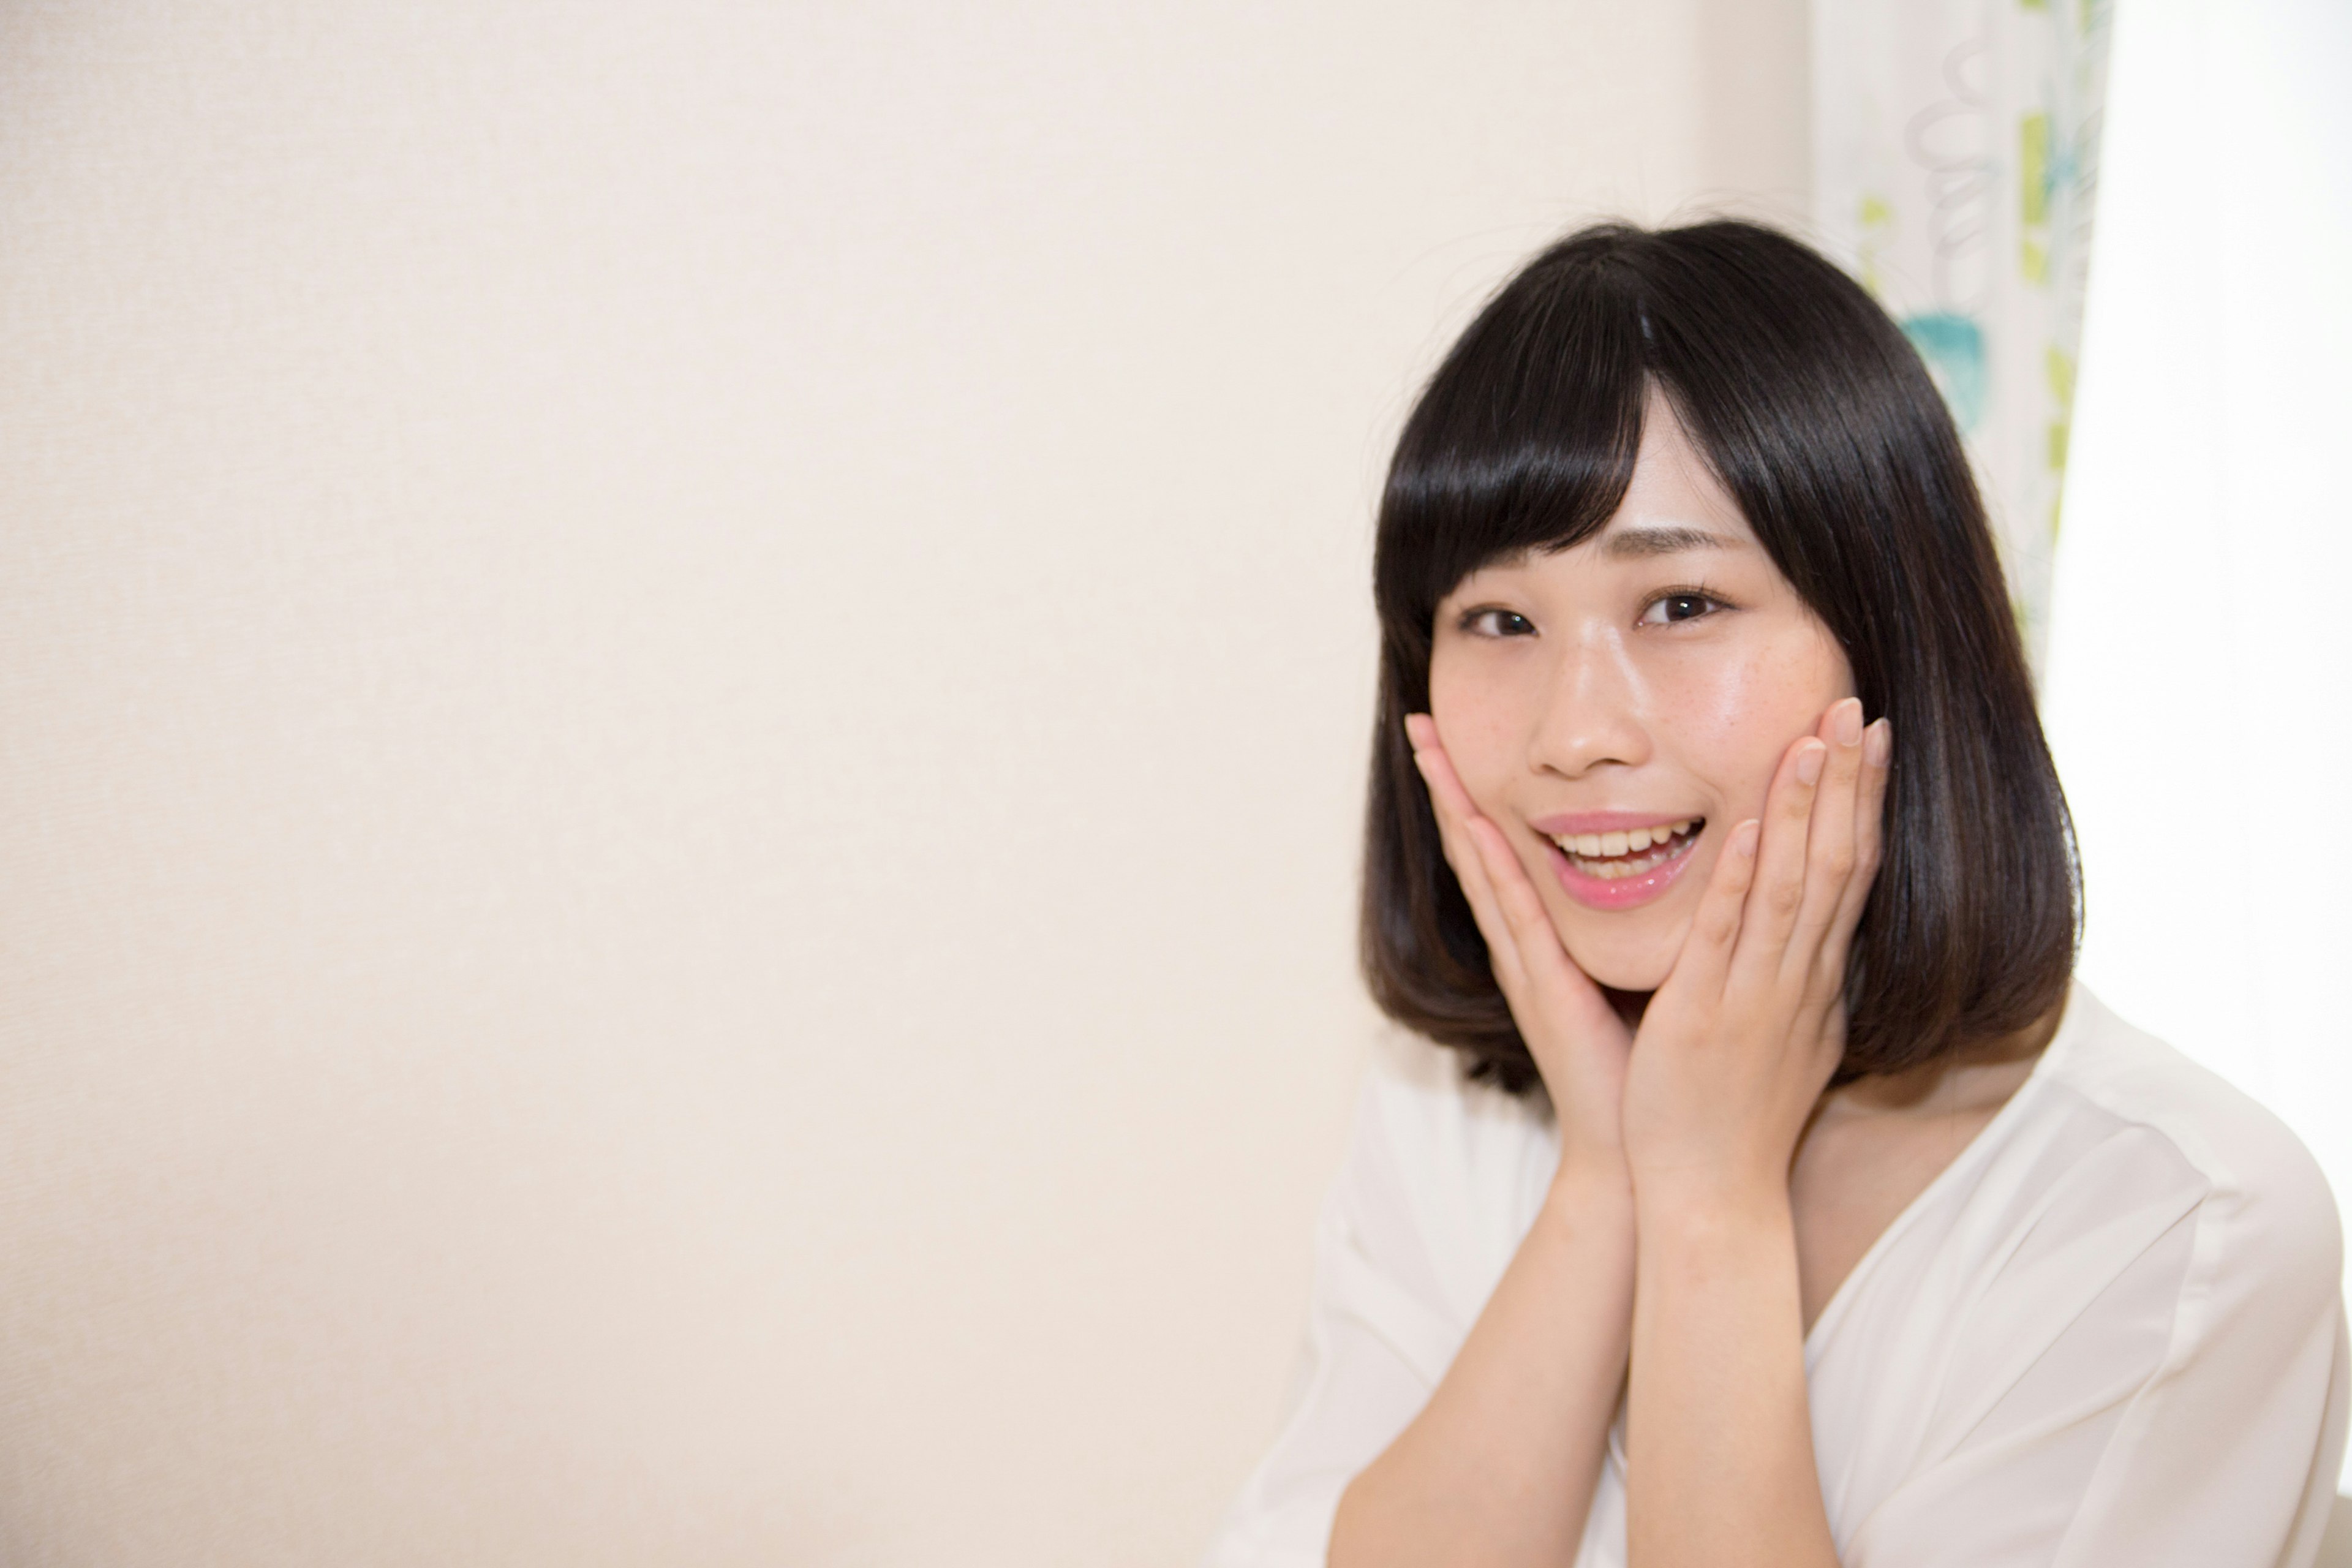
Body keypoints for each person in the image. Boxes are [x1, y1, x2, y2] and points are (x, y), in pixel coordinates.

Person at [1204, 220, 2349, 1567]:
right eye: (1500, 621)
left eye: (1681, 604)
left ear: (1893, 641)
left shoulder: (2177, 1220)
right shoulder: (1441, 1105)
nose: (1576, 731)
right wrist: (1605, 1175)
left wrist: (1709, 1199)